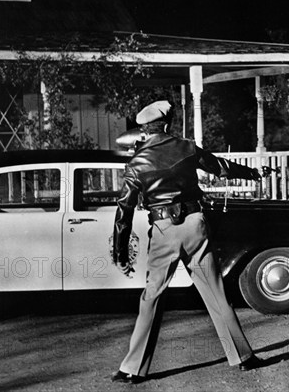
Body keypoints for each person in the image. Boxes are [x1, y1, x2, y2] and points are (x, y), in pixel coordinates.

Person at [111, 100, 264, 384]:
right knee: (215, 291)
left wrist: (120, 252)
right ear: (168, 125)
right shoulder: (187, 147)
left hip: (163, 230)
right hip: (195, 225)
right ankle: (243, 357)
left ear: (145, 130)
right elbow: (222, 168)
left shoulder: (136, 164)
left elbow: (125, 210)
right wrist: (254, 173)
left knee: (152, 297)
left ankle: (132, 369)